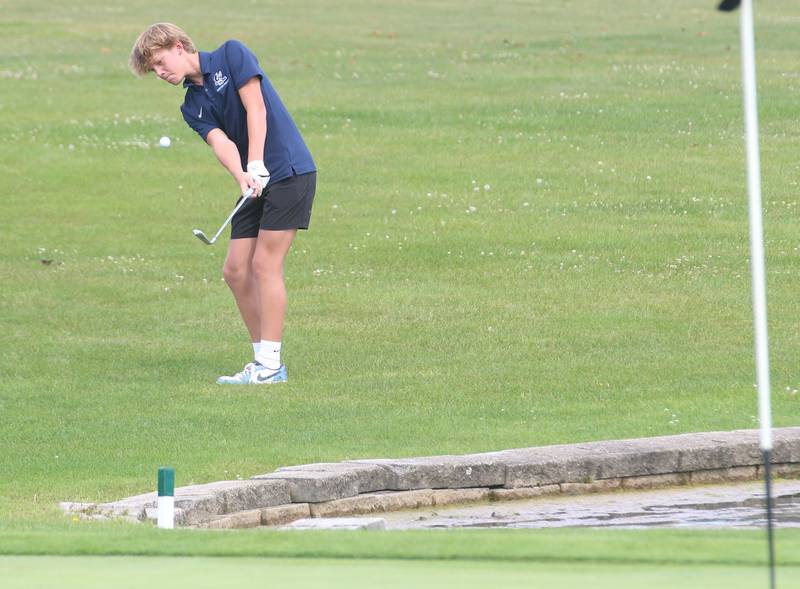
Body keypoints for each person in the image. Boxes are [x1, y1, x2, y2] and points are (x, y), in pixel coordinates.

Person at [129, 23, 316, 385]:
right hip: (255, 181)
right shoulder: (191, 105)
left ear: (179, 46)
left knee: (265, 264)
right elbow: (221, 143)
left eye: (161, 61)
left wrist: (258, 161)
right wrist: (243, 175)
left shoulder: (232, 54)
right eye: (154, 70)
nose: (161, 72)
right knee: (235, 271)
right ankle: (263, 359)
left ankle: (271, 367)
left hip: (289, 170)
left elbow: (256, 108)